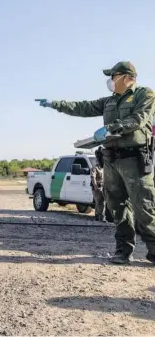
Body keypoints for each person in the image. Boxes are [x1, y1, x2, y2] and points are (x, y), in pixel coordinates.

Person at [38, 61, 155, 265]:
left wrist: (112, 128)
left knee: (144, 208)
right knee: (117, 208)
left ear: (127, 77)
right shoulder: (108, 101)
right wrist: (56, 104)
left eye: (113, 76)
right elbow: (82, 107)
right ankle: (123, 251)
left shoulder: (144, 95)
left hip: (134, 160)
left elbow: (139, 119)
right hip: (111, 160)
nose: (110, 81)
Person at [91, 149, 105, 222]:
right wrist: (96, 187)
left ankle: (97, 216)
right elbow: (93, 177)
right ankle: (100, 217)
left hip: (103, 186)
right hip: (97, 187)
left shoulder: (105, 167)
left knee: (102, 202)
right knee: (99, 202)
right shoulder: (95, 168)